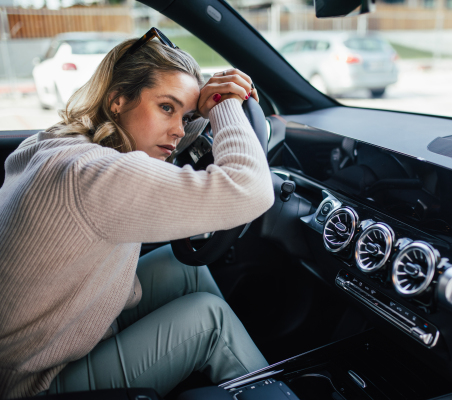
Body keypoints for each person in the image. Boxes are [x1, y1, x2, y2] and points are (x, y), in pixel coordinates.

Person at [0, 28, 274, 399]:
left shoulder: (56, 142)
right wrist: (226, 104)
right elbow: (251, 189)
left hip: (48, 337)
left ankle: (209, 375)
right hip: (32, 382)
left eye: (186, 114)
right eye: (166, 107)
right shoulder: (98, 176)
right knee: (211, 320)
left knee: (184, 270)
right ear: (117, 100)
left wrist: (203, 107)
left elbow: (169, 137)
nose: (179, 131)